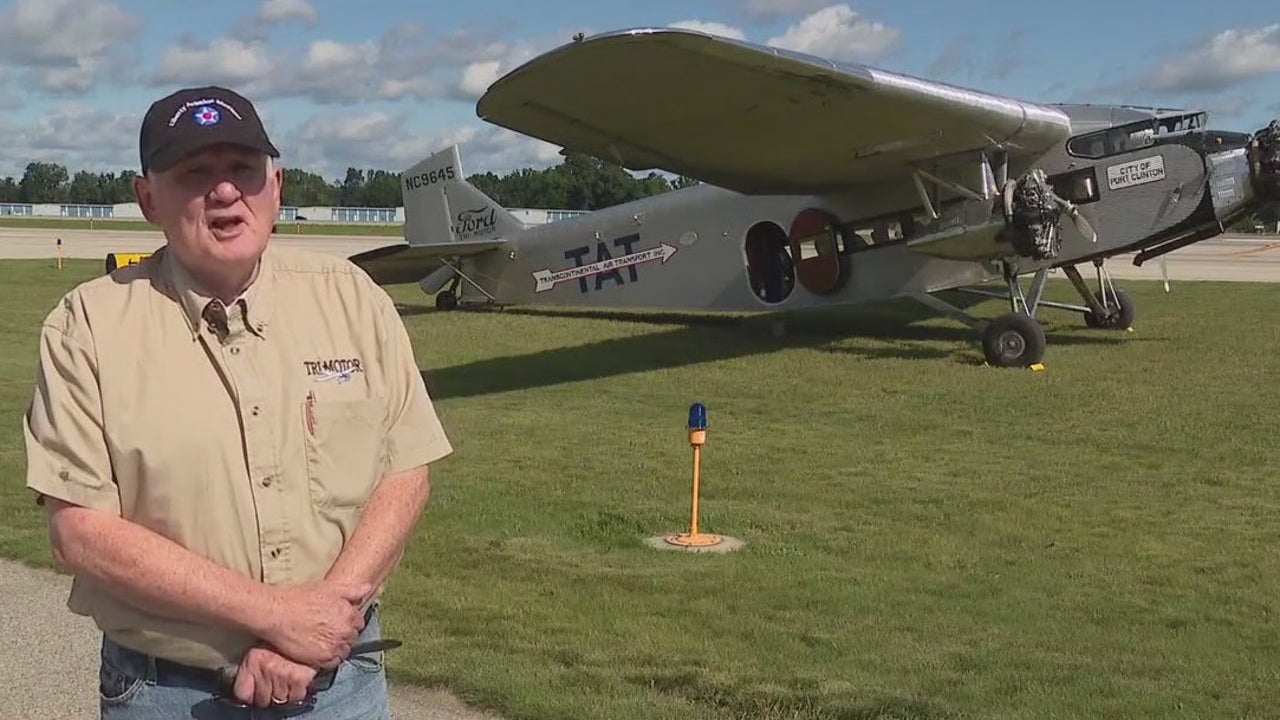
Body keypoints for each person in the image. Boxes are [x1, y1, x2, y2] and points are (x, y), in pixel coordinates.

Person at [22, 85, 454, 718]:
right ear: (148, 199)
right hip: (169, 692)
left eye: (243, 170)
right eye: (195, 173)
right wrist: (279, 616)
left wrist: (320, 626)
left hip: (343, 687)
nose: (225, 191)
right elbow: (80, 532)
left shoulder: (353, 301)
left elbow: (407, 469)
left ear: (275, 186)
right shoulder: (86, 327)